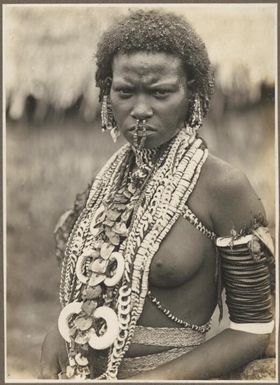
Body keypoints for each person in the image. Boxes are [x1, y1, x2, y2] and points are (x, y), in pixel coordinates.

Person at [40, 9, 275, 380]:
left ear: (191, 94)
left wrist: (152, 380)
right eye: (125, 92)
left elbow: (254, 330)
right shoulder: (105, 182)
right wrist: (60, 329)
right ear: (107, 95)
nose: (141, 110)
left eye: (161, 93)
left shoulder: (223, 187)